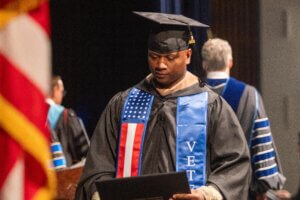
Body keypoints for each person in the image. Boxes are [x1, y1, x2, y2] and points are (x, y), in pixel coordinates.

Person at [76, 12, 251, 200]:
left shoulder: (210, 105)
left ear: (188, 55)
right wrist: (100, 194)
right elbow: (97, 167)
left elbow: (235, 164)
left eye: (170, 57)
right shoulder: (124, 103)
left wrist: (207, 194)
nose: (160, 64)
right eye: (154, 56)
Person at [201, 38, 286, 199]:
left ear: (204, 64)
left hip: (200, 188)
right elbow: (260, 145)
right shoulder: (249, 95)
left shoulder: (192, 94)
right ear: (230, 62)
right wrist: (265, 186)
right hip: (239, 187)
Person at [46, 75, 90, 168]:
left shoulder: (36, 113)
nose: (62, 95)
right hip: (64, 172)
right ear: (55, 90)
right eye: (62, 91)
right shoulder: (67, 115)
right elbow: (84, 150)